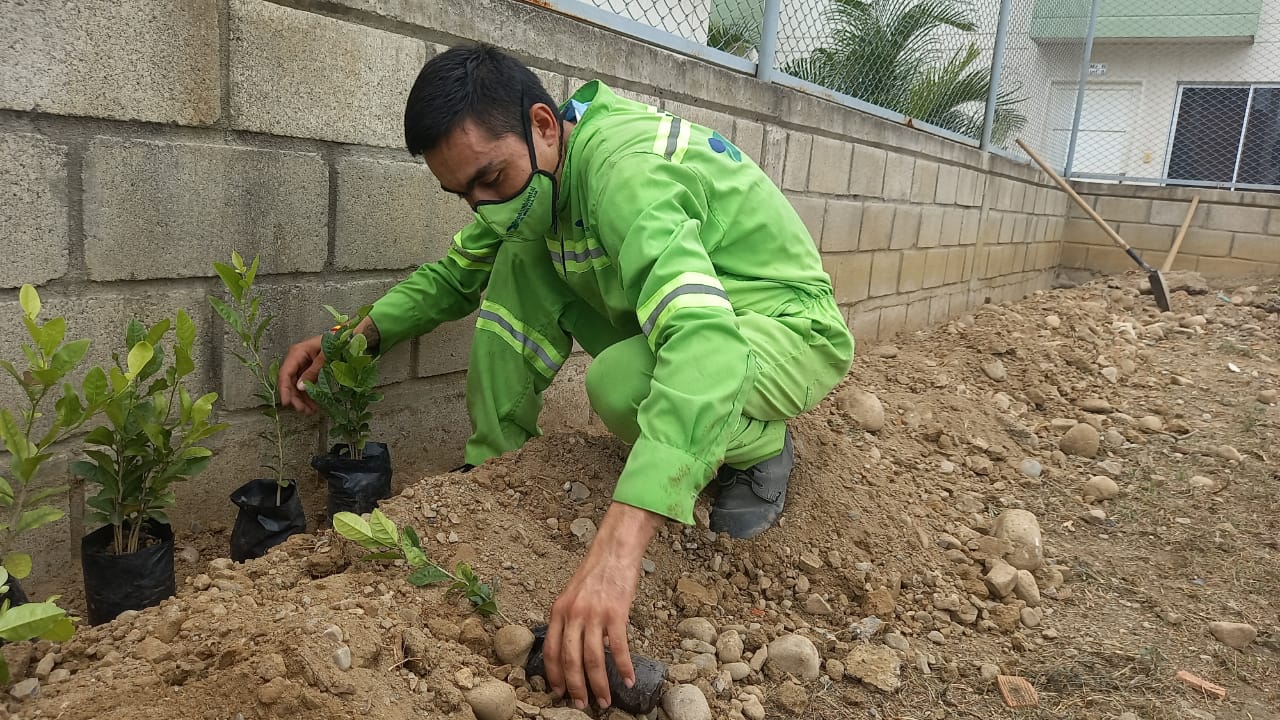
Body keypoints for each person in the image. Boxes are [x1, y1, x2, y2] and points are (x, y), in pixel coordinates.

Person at [279, 44, 854, 710]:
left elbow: (704, 343)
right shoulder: (539, 184)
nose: (482, 206)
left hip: (781, 324)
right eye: (463, 194)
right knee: (520, 259)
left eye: (490, 179)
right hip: (704, 320)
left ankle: (760, 450)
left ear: (545, 126)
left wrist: (616, 553)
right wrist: (353, 339)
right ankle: (498, 470)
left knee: (620, 387)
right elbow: (454, 276)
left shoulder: (622, 174)